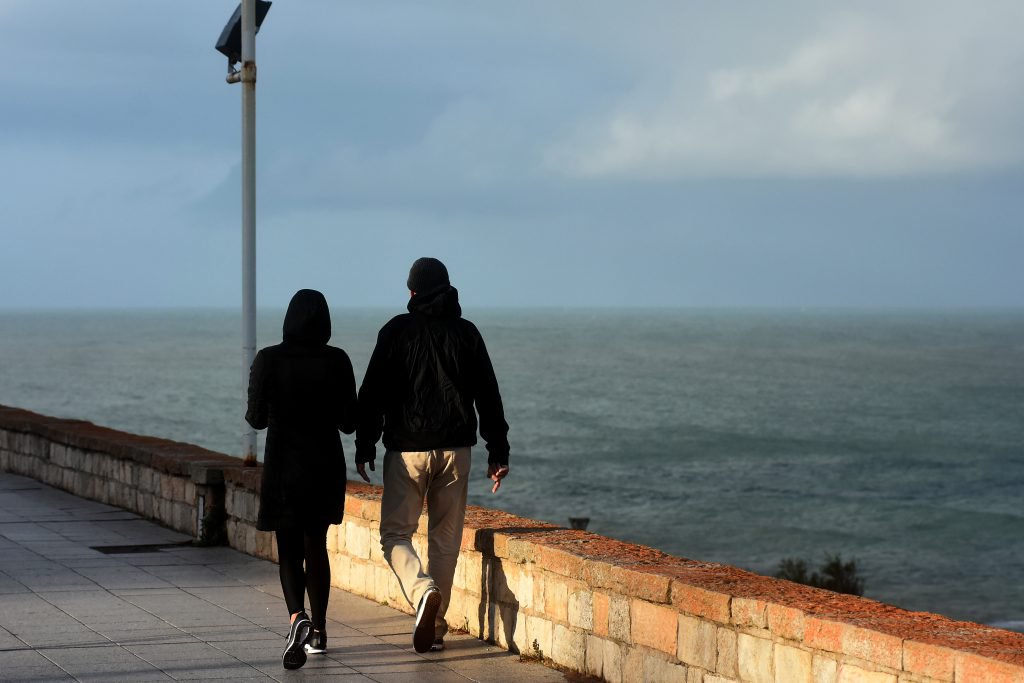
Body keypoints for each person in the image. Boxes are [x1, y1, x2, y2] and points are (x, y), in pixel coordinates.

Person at [355, 257, 510, 653]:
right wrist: (498, 450)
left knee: (394, 535)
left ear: (412, 292)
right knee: (445, 539)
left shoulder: (395, 331)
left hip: (407, 450)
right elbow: (488, 396)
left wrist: (365, 443)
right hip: (457, 449)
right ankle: (436, 626)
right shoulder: (466, 333)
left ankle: (422, 591)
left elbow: (372, 393)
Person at [245, 289, 357, 669]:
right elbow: (349, 422)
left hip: (283, 468)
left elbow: (256, 419)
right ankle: (321, 632)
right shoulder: (337, 360)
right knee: (316, 547)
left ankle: (297, 618)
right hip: (325, 465)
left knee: (289, 551)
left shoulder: (268, 359)